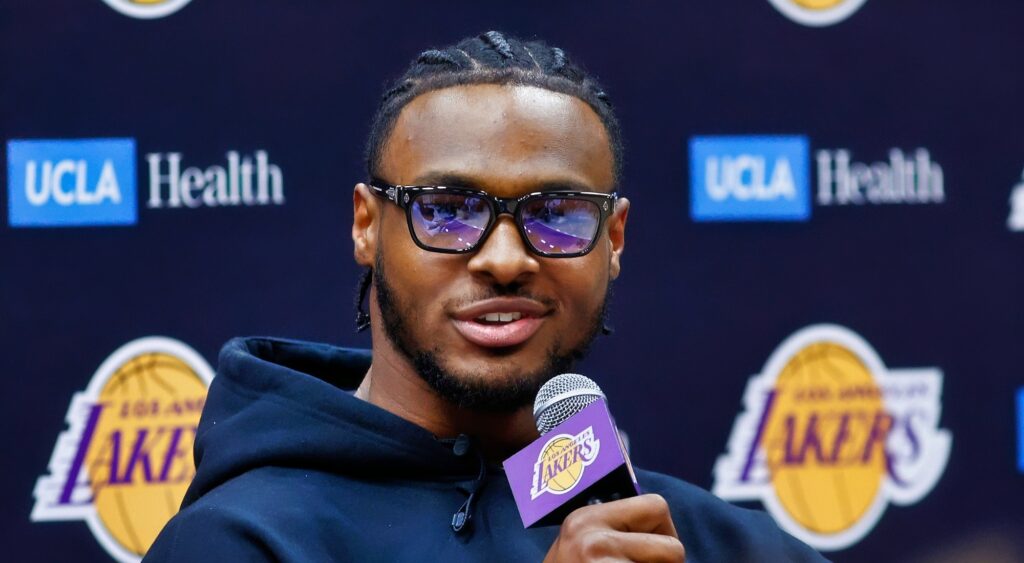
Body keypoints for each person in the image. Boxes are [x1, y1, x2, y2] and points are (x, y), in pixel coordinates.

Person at [145, 31, 827, 562]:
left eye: (557, 213)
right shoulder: (239, 540)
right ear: (366, 225)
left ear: (614, 237)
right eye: (446, 209)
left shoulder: (716, 541)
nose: (505, 259)